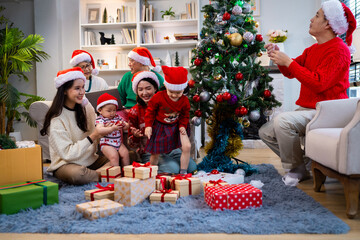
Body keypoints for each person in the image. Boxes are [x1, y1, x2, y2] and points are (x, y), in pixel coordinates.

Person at [259, 0, 356, 183]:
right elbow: (290, 72)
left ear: (328, 23)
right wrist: (278, 57)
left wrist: (289, 62)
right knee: (265, 132)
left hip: (328, 111)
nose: (311, 19)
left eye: (317, 15)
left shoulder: (339, 50)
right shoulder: (312, 50)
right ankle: (305, 164)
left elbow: (319, 83)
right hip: (310, 110)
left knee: (282, 122)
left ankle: (297, 169)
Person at [40, 67, 121, 185]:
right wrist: (93, 136)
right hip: (66, 164)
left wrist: (110, 128)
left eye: (83, 87)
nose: (82, 92)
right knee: (77, 175)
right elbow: (67, 155)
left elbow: (98, 129)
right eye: (77, 88)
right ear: (64, 90)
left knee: (124, 156)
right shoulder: (57, 119)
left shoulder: (86, 107)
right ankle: (103, 174)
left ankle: (97, 173)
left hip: (90, 159)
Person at [128, 70, 197, 174]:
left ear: (155, 88)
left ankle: (176, 171)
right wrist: (136, 136)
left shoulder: (170, 103)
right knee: (173, 168)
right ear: (136, 91)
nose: (144, 93)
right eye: (140, 89)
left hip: (171, 148)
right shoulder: (135, 111)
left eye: (148, 88)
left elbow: (183, 118)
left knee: (191, 167)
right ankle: (154, 173)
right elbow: (131, 144)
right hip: (151, 151)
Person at [144, 66, 192, 175]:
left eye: (178, 92)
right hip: (160, 126)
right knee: (155, 152)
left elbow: (185, 115)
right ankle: (152, 171)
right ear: (166, 86)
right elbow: (150, 111)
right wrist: (148, 126)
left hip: (177, 125)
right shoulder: (158, 97)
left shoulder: (184, 101)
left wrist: (182, 126)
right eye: (171, 92)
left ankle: (183, 172)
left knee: (187, 146)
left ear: (184, 89)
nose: (175, 95)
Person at [95, 93, 130, 167]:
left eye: (114, 110)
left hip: (118, 143)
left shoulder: (117, 117)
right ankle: (116, 175)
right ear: (100, 110)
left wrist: (125, 125)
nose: (112, 113)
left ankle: (127, 172)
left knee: (125, 153)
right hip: (107, 144)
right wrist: (111, 129)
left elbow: (125, 126)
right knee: (114, 156)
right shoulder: (101, 119)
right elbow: (99, 130)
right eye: (109, 111)